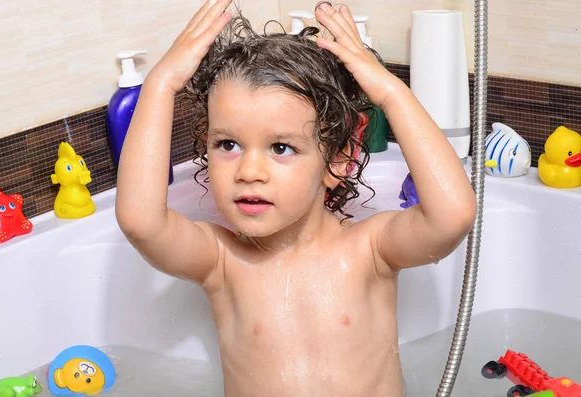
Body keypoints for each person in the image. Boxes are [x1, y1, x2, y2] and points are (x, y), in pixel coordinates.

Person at [115, 0, 477, 395]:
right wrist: (160, 84)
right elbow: (140, 221)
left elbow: (453, 215)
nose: (249, 171)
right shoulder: (221, 262)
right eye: (228, 144)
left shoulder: (370, 250)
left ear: (336, 162)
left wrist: (390, 93)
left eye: (281, 148)